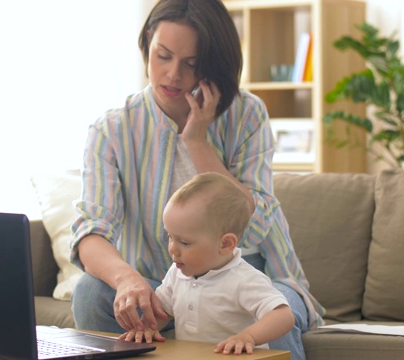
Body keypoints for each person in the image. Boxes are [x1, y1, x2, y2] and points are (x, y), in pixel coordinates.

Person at [69, 1, 324, 359]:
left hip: (260, 279)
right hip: (165, 290)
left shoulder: (247, 115)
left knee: (269, 322)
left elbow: (251, 230)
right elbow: (92, 230)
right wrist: (129, 280)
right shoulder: (112, 130)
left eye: (190, 64)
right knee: (90, 293)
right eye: (163, 56)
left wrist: (197, 140)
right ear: (146, 42)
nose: (172, 75)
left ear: (212, 66)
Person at [119, 172, 294, 355]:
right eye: (170, 237)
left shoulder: (244, 280)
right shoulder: (177, 273)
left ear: (225, 244)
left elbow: (282, 316)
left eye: (184, 242)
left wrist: (248, 337)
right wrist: (147, 327)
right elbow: (161, 309)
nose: (172, 249)